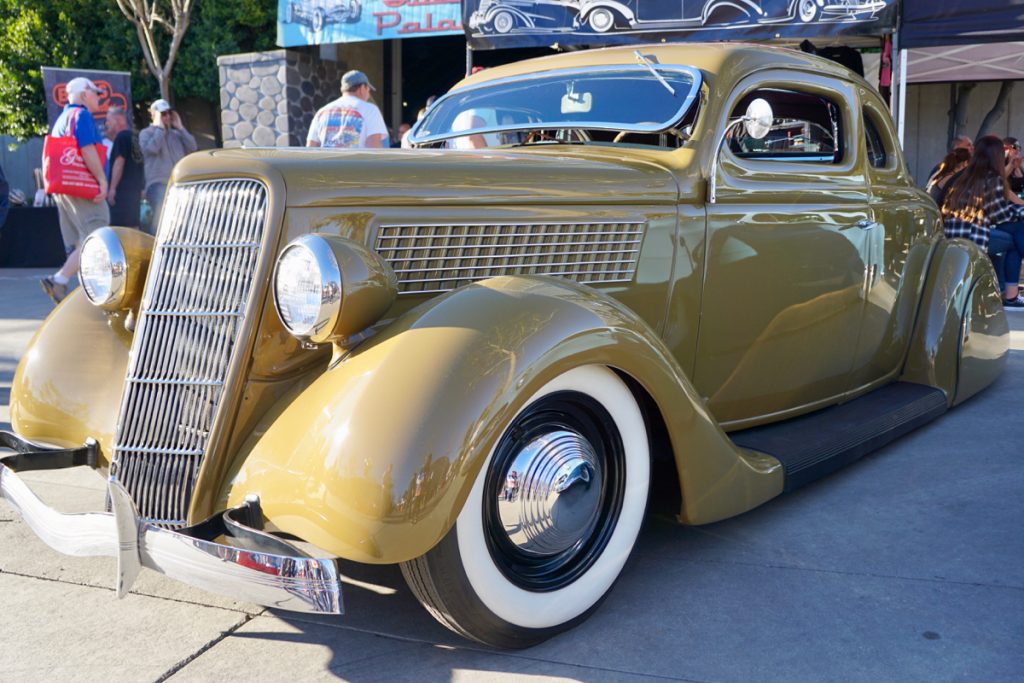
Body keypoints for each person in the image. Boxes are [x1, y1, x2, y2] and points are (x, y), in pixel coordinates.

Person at [40, 77, 109, 305]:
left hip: (64, 187)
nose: (98, 97)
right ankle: (59, 280)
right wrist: (101, 180)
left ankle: (85, 295)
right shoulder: (82, 116)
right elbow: (87, 149)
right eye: (95, 93)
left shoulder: (62, 118)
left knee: (81, 242)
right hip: (83, 186)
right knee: (97, 236)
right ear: (83, 94)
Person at [942, 135, 1024, 308]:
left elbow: (996, 212)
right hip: (975, 237)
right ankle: (1010, 296)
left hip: (954, 234)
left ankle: (1005, 292)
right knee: (1017, 237)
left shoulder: (965, 177)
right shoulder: (993, 179)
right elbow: (1001, 216)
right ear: (996, 157)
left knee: (1015, 232)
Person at [139, 98, 197, 230]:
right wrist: (159, 128)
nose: (167, 117)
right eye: (163, 114)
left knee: (182, 220)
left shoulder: (176, 134)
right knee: (161, 221)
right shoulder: (145, 133)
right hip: (158, 183)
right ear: (154, 114)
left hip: (179, 183)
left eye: (169, 113)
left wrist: (180, 127)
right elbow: (151, 149)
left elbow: (193, 147)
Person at [306, 70, 388, 149]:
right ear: (362, 88)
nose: (369, 95)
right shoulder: (370, 109)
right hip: (355, 162)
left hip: (326, 162)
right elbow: (374, 146)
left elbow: (311, 146)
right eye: (368, 90)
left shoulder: (322, 112)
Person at [104, 106, 144, 229]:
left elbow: (119, 162)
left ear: (118, 120)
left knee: (119, 230)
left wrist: (112, 189)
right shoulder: (134, 138)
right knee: (133, 227)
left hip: (122, 195)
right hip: (134, 194)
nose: (106, 125)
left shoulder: (121, 138)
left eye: (108, 121)